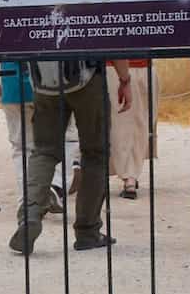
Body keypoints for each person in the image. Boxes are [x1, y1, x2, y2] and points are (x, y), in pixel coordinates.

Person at [9, 56, 130, 255]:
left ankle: (29, 216)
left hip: (44, 81)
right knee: (95, 154)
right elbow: (114, 39)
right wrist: (125, 80)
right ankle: (87, 231)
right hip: (88, 78)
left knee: (44, 152)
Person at [106, 59, 157, 198]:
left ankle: (130, 174)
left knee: (136, 123)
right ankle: (130, 176)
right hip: (120, 68)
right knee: (131, 124)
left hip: (138, 66)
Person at [0, 59, 35, 195]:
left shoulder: (2, 36)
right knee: (48, 146)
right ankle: (52, 189)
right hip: (44, 87)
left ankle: (26, 199)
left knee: (21, 149)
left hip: (12, 87)